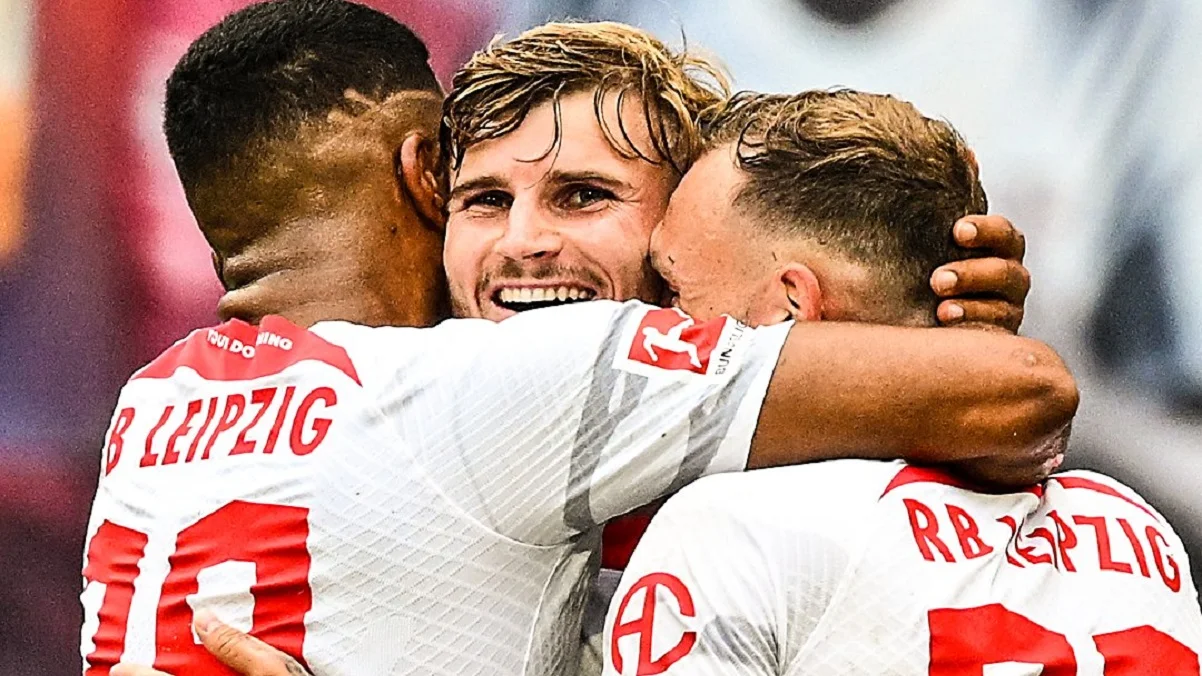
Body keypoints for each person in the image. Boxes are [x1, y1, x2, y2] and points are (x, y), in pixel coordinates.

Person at [96, 8, 1074, 676]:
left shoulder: (162, 399)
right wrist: (940, 342)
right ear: (430, 200)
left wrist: (915, 328)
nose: (523, 242)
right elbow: (1014, 395)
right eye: (483, 200)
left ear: (686, 234)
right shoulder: (474, 399)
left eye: (583, 196)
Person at [601, 91, 1202, 674]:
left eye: (673, 290)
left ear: (791, 308)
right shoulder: (1135, 534)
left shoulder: (719, 532)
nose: (652, 317)